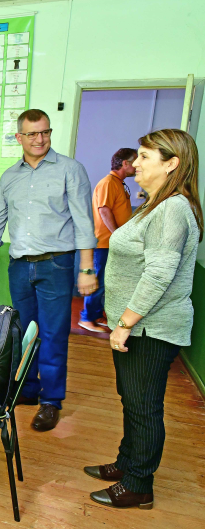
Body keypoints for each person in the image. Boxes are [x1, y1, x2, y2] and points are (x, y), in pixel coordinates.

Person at [86, 129, 202, 510]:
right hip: (138, 326)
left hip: (150, 328)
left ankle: (139, 485)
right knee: (132, 400)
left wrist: (125, 323)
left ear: (172, 164)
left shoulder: (172, 209)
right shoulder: (157, 205)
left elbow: (159, 274)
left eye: (144, 157)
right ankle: (127, 463)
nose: (134, 164)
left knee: (144, 407)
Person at [0, 108, 98, 432]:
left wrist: (87, 268)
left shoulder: (70, 169)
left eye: (45, 132)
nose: (39, 139)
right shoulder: (9, 176)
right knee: (23, 331)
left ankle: (51, 401)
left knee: (54, 333)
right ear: (19, 137)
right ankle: (27, 389)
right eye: (32, 134)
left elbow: (84, 221)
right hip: (19, 266)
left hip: (56, 264)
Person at [79, 148, 137, 333]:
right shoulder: (108, 183)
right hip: (103, 243)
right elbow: (104, 210)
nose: (137, 166)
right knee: (97, 281)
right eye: (135, 161)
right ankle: (86, 318)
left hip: (111, 243)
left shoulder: (118, 183)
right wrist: (117, 235)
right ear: (125, 163)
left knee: (105, 280)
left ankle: (96, 314)